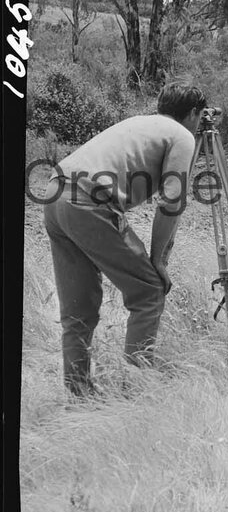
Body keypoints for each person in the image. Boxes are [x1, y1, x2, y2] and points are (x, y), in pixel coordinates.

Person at [43, 83, 207, 396]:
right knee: (149, 291)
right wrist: (157, 260)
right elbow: (172, 201)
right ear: (193, 114)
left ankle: (78, 396)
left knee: (79, 309)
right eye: (199, 118)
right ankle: (134, 394)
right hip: (90, 199)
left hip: (55, 193)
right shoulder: (182, 135)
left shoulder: (140, 122)